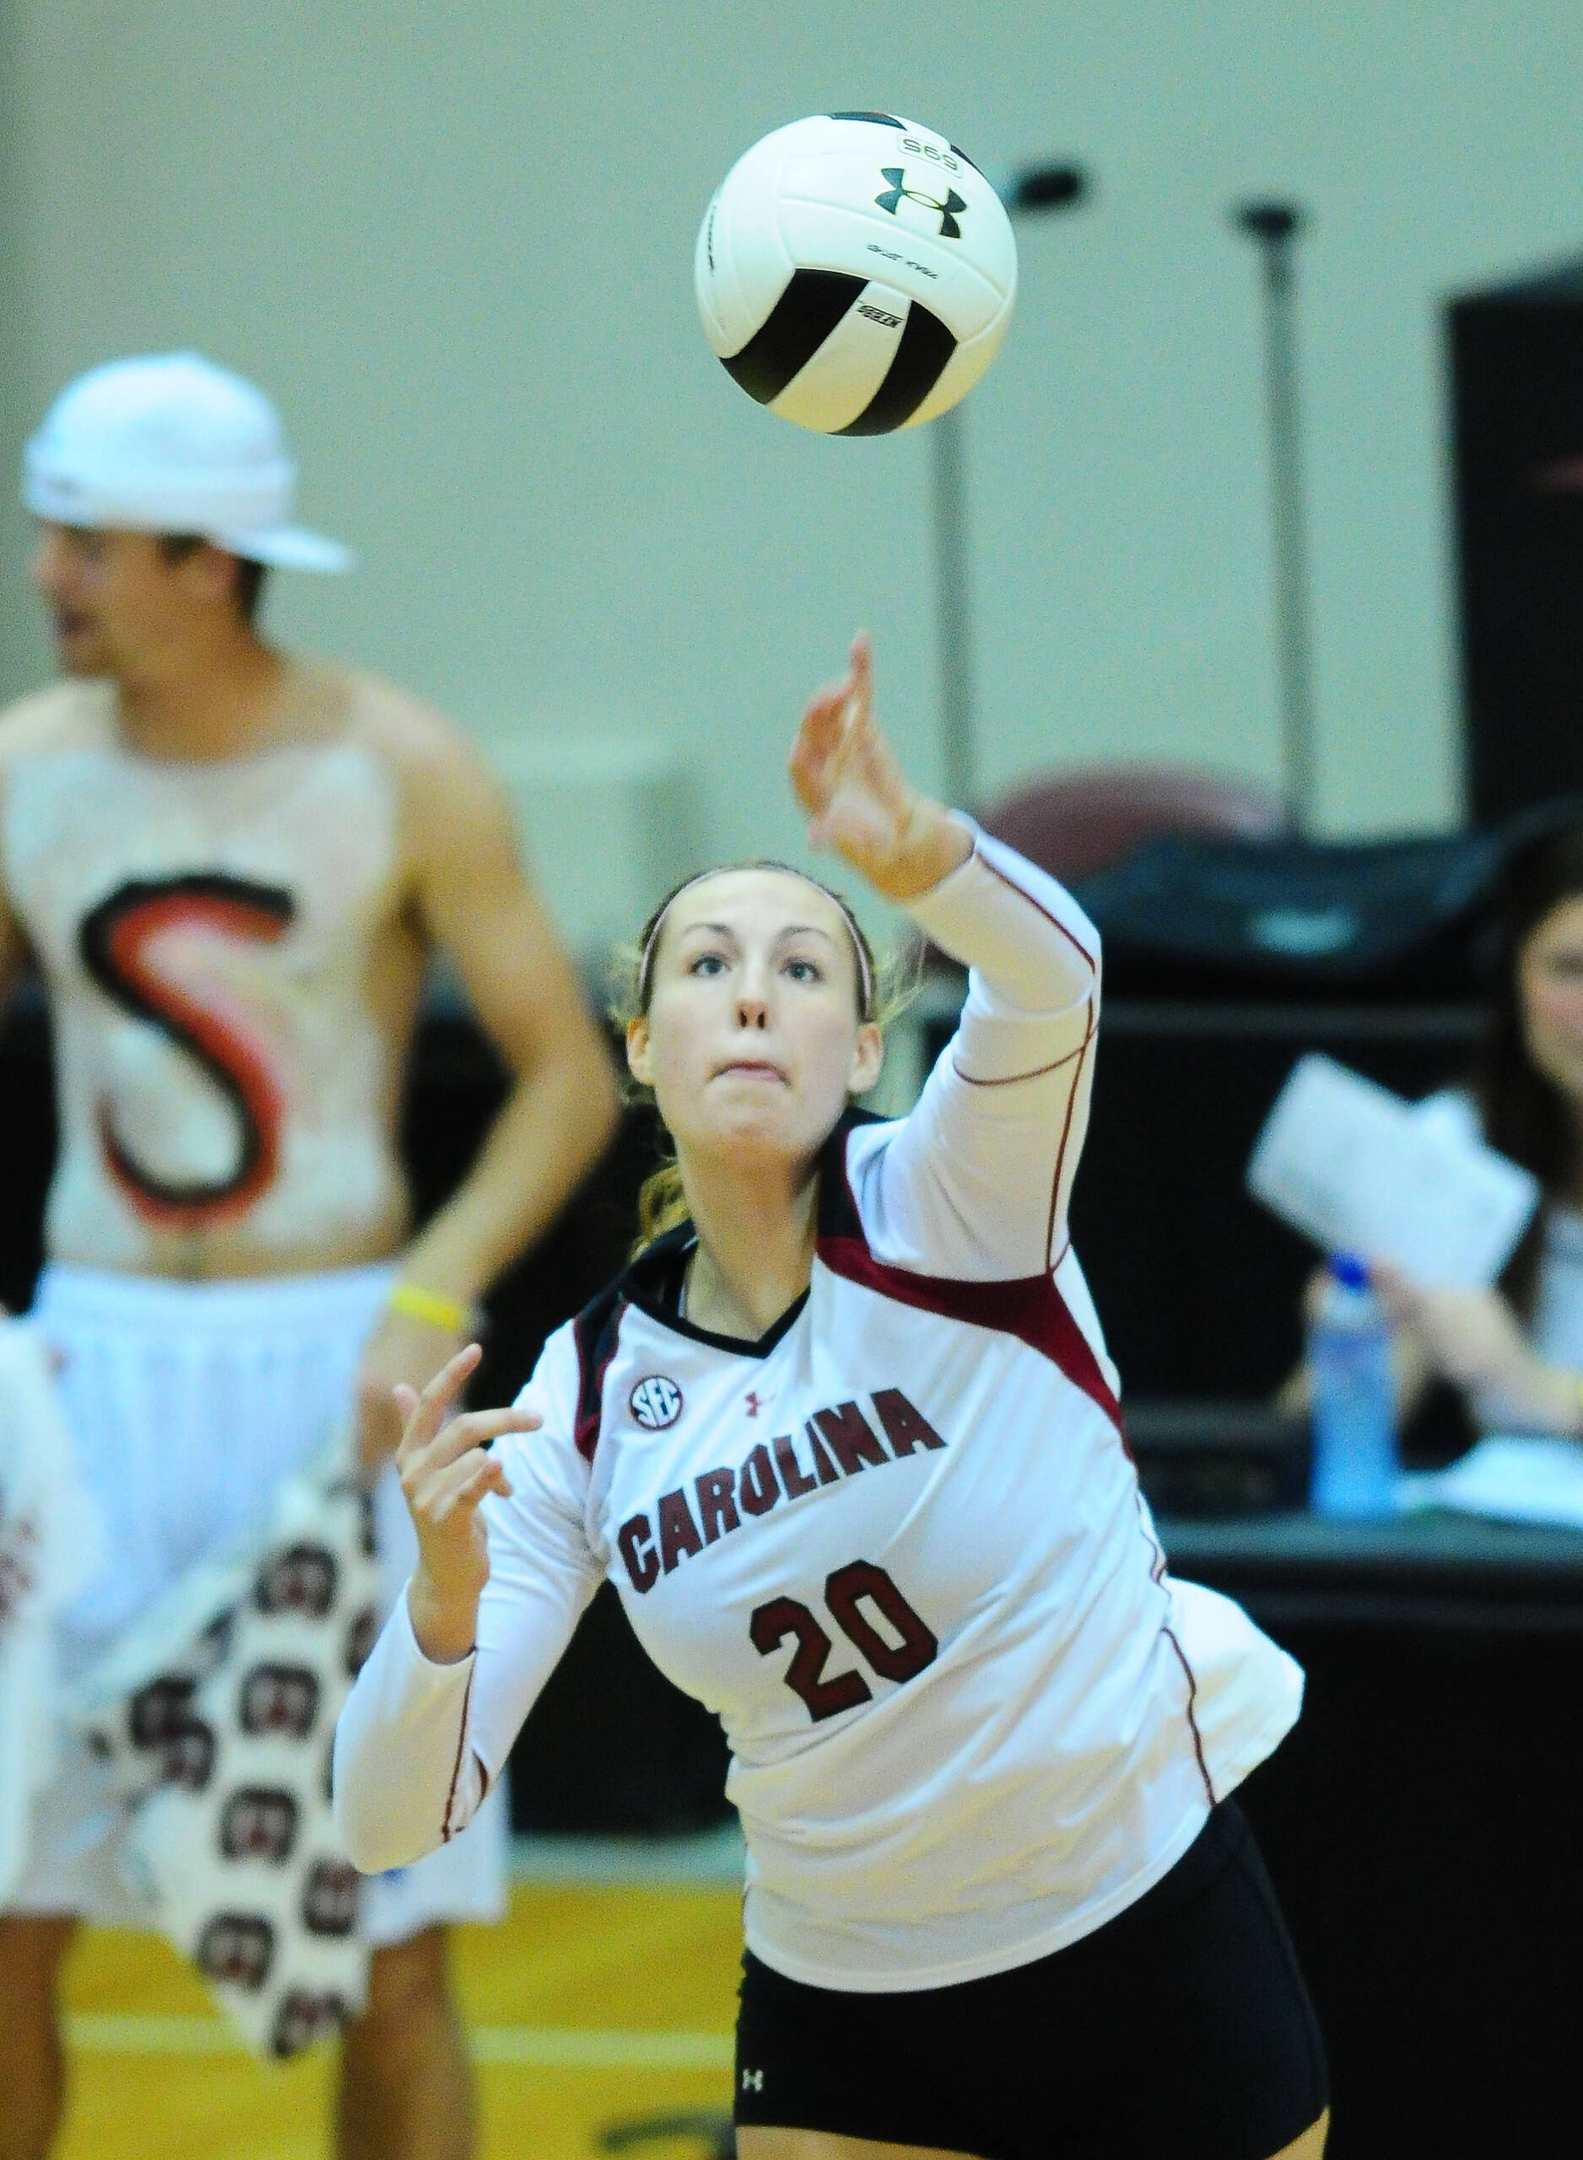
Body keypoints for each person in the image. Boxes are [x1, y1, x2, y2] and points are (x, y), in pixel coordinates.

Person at [335, 633, 1331, 2160]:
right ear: (639, 1043)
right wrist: (442, 1600)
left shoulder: (953, 1204)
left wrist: (915, 852)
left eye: (801, 969)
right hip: (848, 2003)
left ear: (864, 1044)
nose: (751, 998)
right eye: (705, 969)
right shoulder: (586, 1393)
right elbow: (385, 1822)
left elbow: (1053, 974)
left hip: (1140, 1927)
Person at [0, 351, 620, 2160]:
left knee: (388, 1927)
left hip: (339, 1375)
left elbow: (568, 1082)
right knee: (7, 1906)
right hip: (83, 1371)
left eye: (84, 544)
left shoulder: (398, 763)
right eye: (51, 538)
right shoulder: (21, 770)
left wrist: (434, 1286)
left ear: (209, 561)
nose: (50, 577)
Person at [1355, 818, 1583, 1437]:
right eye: (1570, 969)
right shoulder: (1451, 1145)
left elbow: (1533, 1393)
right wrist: (1352, 1345)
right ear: (1514, 981)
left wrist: (1539, 1392)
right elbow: (1318, 1445)